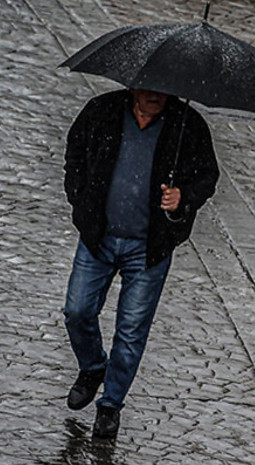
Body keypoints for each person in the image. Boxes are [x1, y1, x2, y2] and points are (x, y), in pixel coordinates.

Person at [63, 88, 219, 438]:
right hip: (97, 238)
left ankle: (110, 405)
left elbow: (207, 177)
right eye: (150, 90)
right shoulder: (102, 111)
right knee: (77, 310)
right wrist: (80, 201)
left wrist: (183, 197)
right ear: (134, 86)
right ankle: (92, 368)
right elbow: (75, 156)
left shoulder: (187, 125)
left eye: (165, 92)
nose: (157, 96)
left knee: (132, 330)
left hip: (149, 247)